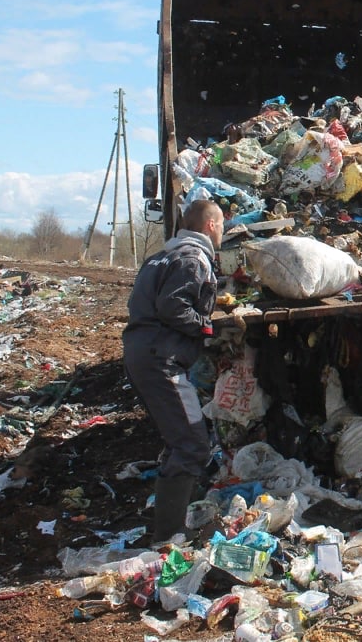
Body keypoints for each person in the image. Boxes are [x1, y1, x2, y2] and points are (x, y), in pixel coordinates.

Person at [122, 198, 223, 544]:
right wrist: (205, 326)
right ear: (211, 225)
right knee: (193, 443)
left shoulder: (160, 256)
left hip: (142, 352)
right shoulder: (194, 258)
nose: (222, 232)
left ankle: (166, 523)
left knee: (178, 438)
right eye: (221, 225)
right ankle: (167, 536)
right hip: (160, 358)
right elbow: (173, 305)